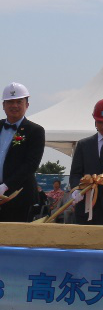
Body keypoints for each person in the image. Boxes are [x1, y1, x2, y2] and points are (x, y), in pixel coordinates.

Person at [1, 82, 46, 222]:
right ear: (3, 105)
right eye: (10, 102)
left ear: (27, 105)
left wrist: (5, 185)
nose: (14, 105)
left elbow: (31, 164)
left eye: (19, 102)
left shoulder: (35, 131)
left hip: (19, 197)